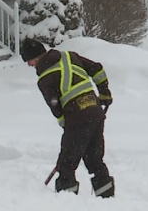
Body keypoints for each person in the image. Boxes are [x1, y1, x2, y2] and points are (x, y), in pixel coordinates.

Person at [20, 38, 115, 198]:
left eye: (29, 60)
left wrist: (68, 128)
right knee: (94, 159)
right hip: (96, 113)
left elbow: (56, 108)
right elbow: (97, 69)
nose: (29, 65)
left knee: (66, 163)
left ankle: (66, 200)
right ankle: (106, 197)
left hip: (77, 119)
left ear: (36, 57)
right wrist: (104, 92)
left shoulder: (45, 79)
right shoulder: (70, 56)